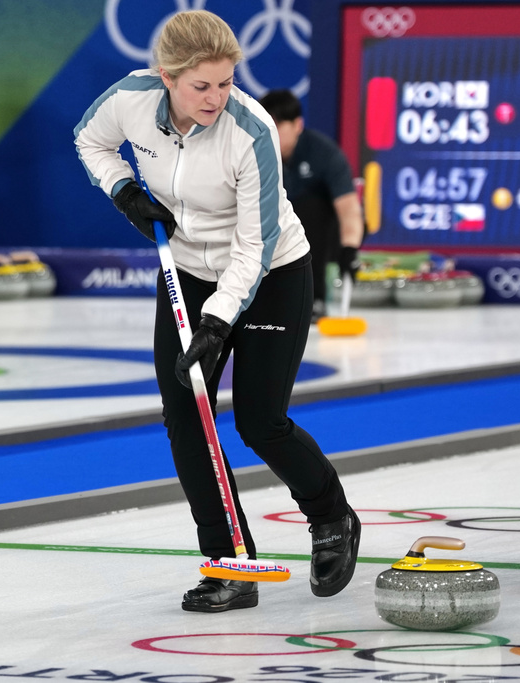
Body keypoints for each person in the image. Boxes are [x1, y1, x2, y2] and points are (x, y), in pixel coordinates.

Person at [73, 10, 360, 612]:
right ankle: (231, 565)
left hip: (272, 272)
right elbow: (89, 140)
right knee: (187, 420)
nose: (216, 97)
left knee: (258, 419)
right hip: (185, 268)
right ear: (166, 76)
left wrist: (216, 322)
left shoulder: (250, 130)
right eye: (201, 85)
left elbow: (254, 249)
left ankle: (331, 515)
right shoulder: (130, 98)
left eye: (226, 83)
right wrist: (124, 189)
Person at [258, 89, 364, 321]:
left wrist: (349, 250)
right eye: (266, 124)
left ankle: (315, 298)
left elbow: (349, 210)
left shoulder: (325, 154)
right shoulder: (254, 154)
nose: (271, 132)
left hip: (324, 235)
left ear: (298, 125)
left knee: (310, 208)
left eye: (278, 124)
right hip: (275, 230)